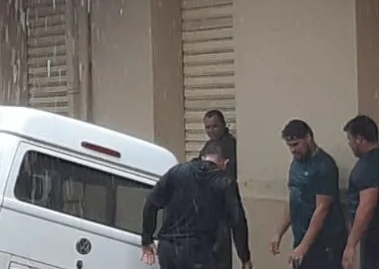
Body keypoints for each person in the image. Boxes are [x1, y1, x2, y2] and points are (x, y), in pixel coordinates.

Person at [140, 141, 253, 269]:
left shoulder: (176, 172)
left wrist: (147, 239)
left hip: (170, 251)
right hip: (201, 254)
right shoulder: (225, 182)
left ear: (202, 156)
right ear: (225, 163)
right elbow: (238, 221)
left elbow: (150, 203)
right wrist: (245, 258)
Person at [269, 119, 347, 269]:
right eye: (289, 146)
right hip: (301, 236)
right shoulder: (295, 164)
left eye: (296, 144)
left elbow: (322, 209)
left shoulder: (324, 166)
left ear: (308, 138)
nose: (293, 150)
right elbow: (293, 199)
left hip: (325, 243)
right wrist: (279, 233)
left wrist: (304, 246)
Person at [200, 109, 238, 269]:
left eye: (215, 126)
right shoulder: (209, 145)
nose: (211, 131)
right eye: (207, 127)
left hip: (222, 210)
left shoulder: (229, 145)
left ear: (224, 125)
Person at [341, 116, 379, 269]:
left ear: (359, 139)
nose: (349, 144)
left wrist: (350, 245)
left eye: (349, 139)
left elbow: (366, 206)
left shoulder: (367, 167)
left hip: (373, 236)